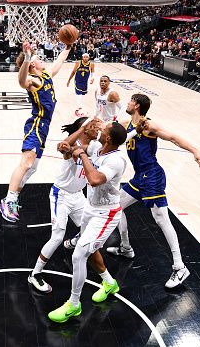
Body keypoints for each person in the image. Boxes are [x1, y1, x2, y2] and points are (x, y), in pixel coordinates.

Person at [106, 93, 200, 288]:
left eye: (130, 101)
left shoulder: (149, 126)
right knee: (116, 206)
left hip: (152, 176)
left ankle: (179, 266)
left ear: (136, 105)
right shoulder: (127, 124)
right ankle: (126, 248)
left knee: (161, 219)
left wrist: (195, 151)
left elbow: (174, 138)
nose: (127, 102)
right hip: (139, 177)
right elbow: (108, 128)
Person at [48, 122, 132, 323]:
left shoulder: (116, 160)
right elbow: (71, 147)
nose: (100, 130)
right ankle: (109, 283)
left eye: (103, 130)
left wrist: (82, 155)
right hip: (90, 208)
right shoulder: (97, 147)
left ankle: (74, 305)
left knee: (78, 255)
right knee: (90, 249)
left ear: (109, 138)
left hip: (106, 214)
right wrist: (69, 146)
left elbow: (94, 179)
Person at [0, 41, 71, 222]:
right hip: (36, 124)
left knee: (32, 169)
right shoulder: (32, 80)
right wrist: (27, 58)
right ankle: (9, 201)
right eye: (38, 59)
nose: (41, 59)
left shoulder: (45, 74)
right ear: (32, 64)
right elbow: (21, 81)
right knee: (27, 163)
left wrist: (68, 48)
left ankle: (10, 198)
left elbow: (59, 62)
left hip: (45, 127)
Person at [28, 117, 99, 293]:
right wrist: (82, 128)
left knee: (91, 230)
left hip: (78, 197)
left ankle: (75, 240)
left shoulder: (94, 147)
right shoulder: (71, 148)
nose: (97, 130)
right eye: (93, 127)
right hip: (61, 196)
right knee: (57, 237)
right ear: (85, 129)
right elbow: (63, 146)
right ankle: (35, 274)